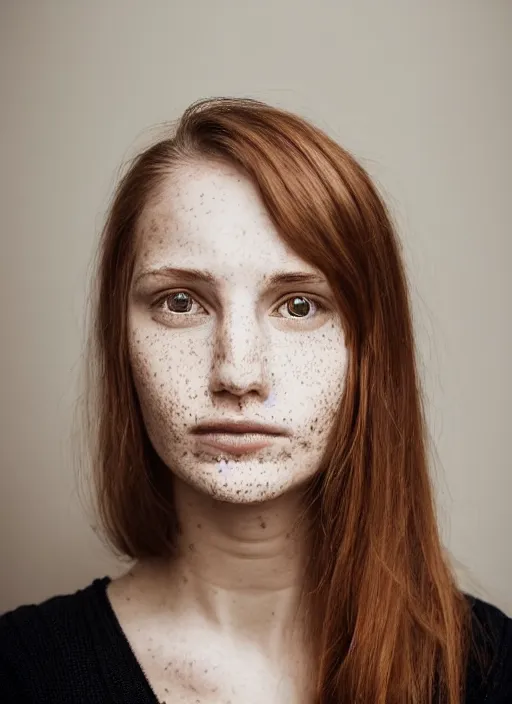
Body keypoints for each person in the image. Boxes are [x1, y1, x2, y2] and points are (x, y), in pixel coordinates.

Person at [0, 97, 510, 704]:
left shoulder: (487, 671)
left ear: (371, 354)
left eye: (299, 305)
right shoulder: (20, 675)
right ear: (122, 344)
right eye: (181, 302)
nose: (238, 373)